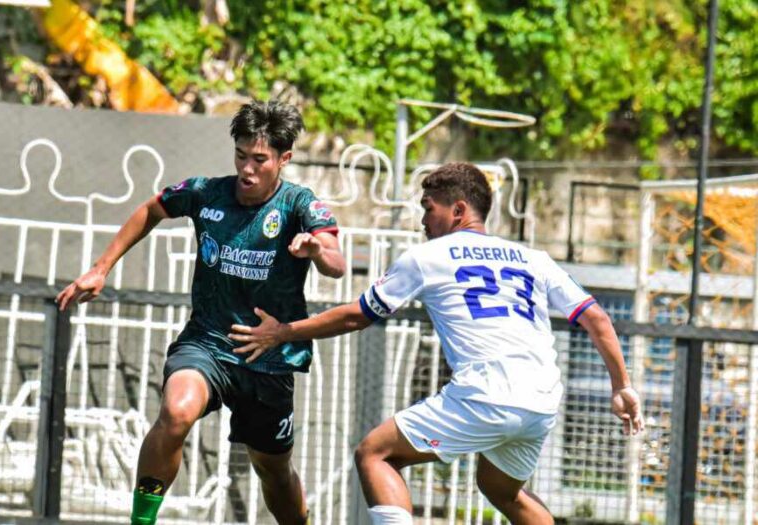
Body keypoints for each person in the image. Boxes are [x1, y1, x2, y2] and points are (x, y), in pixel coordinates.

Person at [229, 162, 644, 525]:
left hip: (487, 393)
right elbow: (596, 317)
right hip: (540, 401)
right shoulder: (534, 258)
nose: (423, 222)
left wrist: (284, 332)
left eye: (429, 210)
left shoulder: (429, 257)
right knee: (502, 490)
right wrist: (621, 385)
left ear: (459, 210)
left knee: (375, 454)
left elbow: (358, 314)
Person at [56, 100, 345, 525]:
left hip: (268, 357)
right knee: (177, 412)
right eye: (241, 156)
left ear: (284, 159)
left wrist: (318, 250)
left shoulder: (299, 204)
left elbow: (337, 263)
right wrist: (101, 268)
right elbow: (152, 208)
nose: (247, 169)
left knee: (274, 470)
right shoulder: (207, 192)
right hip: (207, 342)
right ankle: (142, 521)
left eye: (259, 160)